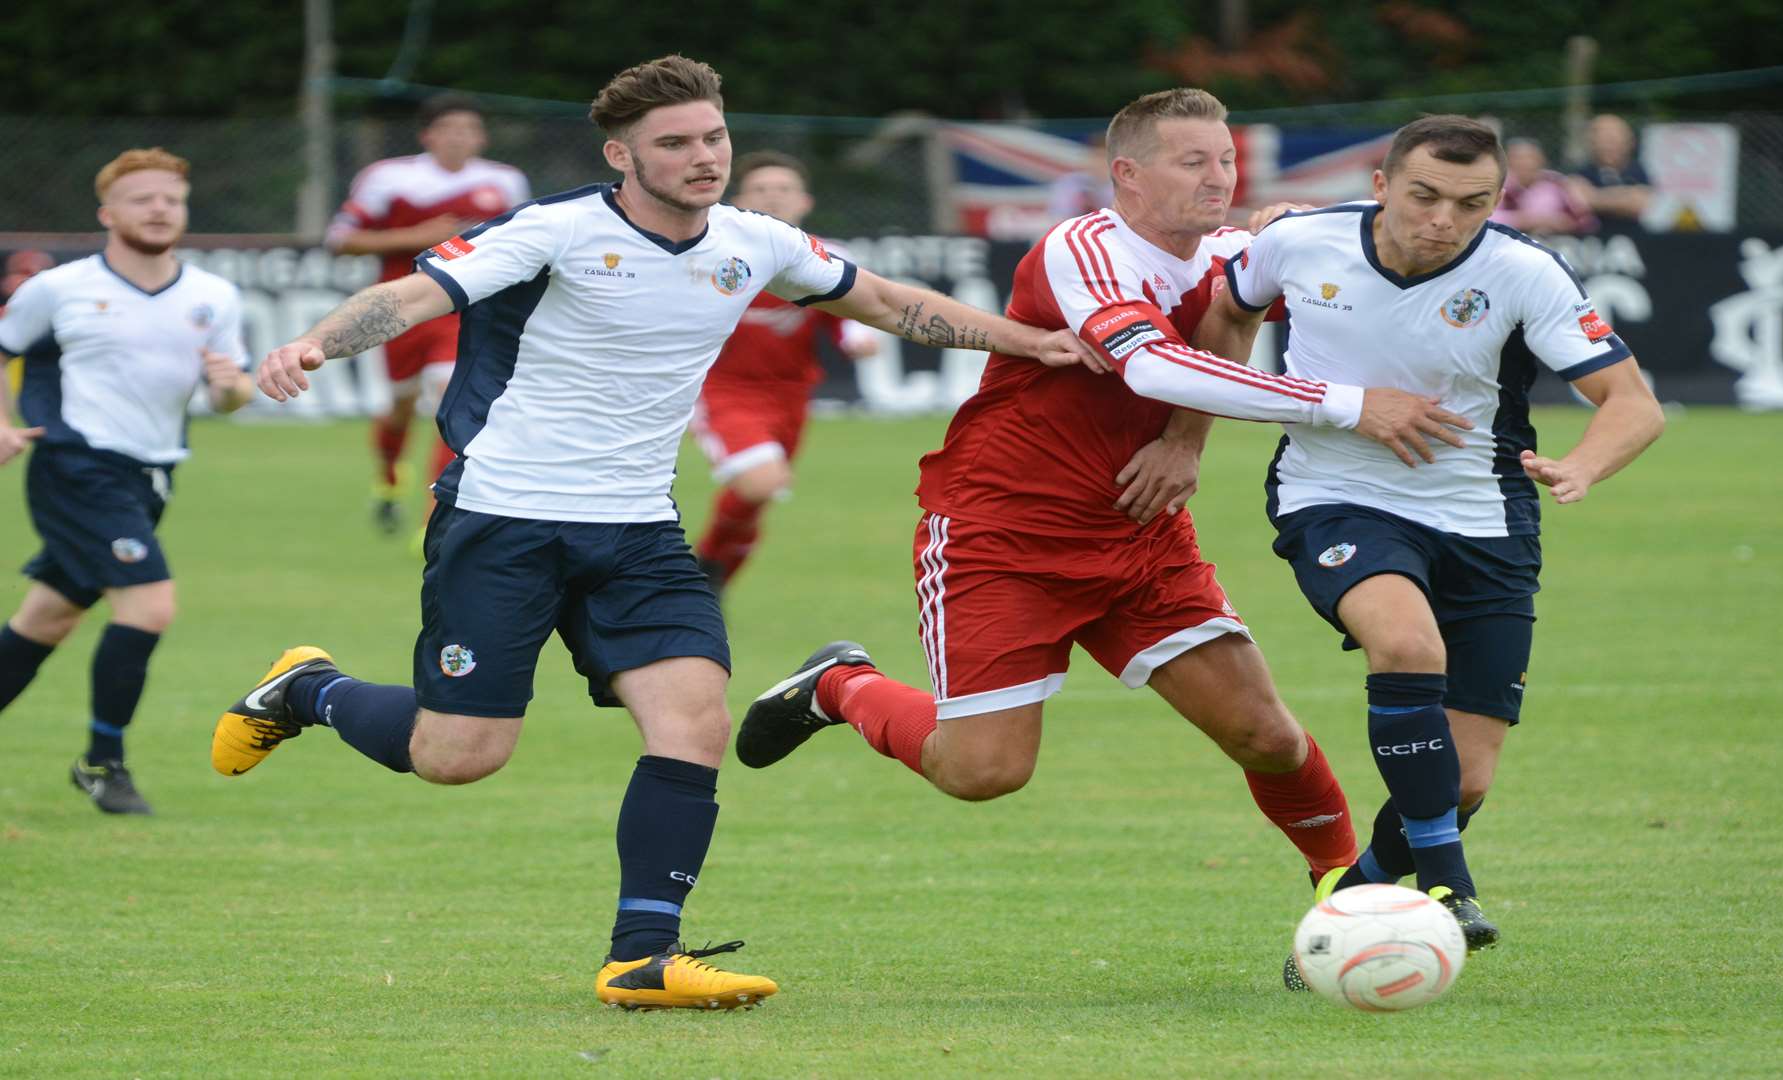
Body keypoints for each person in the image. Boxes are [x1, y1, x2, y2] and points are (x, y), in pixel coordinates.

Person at [209, 55, 1098, 1013]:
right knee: (458, 756)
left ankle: (643, 956)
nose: (703, 157)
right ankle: (308, 689)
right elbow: (414, 297)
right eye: (676, 143)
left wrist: (1032, 342)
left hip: (637, 528)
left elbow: (885, 303)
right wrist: (316, 343)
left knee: (695, 720)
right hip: (504, 519)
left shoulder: (756, 241)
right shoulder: (553, 230)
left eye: (713, 137)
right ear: (621, 154)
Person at [735, 90, 1476, 911]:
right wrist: (1348, 402)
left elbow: (1259, 307)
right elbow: (1155, 365)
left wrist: (1186, 442)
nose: (1219, 178)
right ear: (1127, 174)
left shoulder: (1237, 249)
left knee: (1263, 733)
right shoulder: (1082, 250)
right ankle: (840, 684)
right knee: (983, 772)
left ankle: (1344, 894)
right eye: (1193, 161)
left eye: (1227, 159)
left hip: (1139, 533)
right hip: (1003, 533)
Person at [1206, 115, 1665, 972]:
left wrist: (1583, 468)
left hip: (1487, 518)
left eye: (1471, 203)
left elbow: (1633, 404)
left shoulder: (1524, 270)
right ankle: (1449, 883)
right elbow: (1227, 310)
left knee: (1464, 781)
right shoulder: (1303, 243)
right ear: (1380, 186)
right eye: (1424, 195)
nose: (1444, 219)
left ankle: (1346, 912)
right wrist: (1227, 410)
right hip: (1336, 495)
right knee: (1405, 642)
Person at [0, 148, 255, 815]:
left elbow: (231, 395)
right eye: (142, 198)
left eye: (171, 198)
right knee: (149, 605)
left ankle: (101, 761)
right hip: (77, 466)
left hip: (153, 474)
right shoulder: (59, 288)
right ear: (107, 213)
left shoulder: (213, 296)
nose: (159, 208)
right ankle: (103, 763)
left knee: (46, 619)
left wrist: (232, 389)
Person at [326, 94, 529, 536]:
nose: (459, 138)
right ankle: (388, 478)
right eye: (449, 128)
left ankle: (433, 517)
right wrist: (419, 236)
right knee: (400, 408)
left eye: (469, 129)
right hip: (404, 309)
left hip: (466, 311)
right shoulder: (389, 178)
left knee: (449, 401)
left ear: (481, 137)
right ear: (427, 135)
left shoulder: (506, 183)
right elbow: (341, 239)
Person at [690, 150, 879, 592]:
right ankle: (701, 571)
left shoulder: (826, 255)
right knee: (762, 481)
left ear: (804, 202)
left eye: (783, 190)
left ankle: (711, 581)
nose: (772, 198)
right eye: (761, 190)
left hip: (792, 394)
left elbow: (845, 314)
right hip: (725, 389)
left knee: (758, 498)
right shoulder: (711, 252)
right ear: (738, 200)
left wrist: (854, 338)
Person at [1491, 138, 1596, 236]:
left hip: (1558, 241)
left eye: (1529, 157)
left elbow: (1585, 220)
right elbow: (1487, 218)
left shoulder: (1557, 182)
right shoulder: (1498, 185)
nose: (1524, 163)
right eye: (1517, 158)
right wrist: (1527, 220)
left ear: (1541, 159)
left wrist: (1563, 223)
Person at [1568, 114, 1653, 225]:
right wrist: (1628, 196)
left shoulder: (1638, 171)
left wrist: (1595, 197)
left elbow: (1644, 203)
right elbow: (1579, 201)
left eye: (1614, 138)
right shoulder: (1580, 173)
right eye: (1602, 138)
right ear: (1591, 142)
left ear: (1630, 142)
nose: (1607, 144)